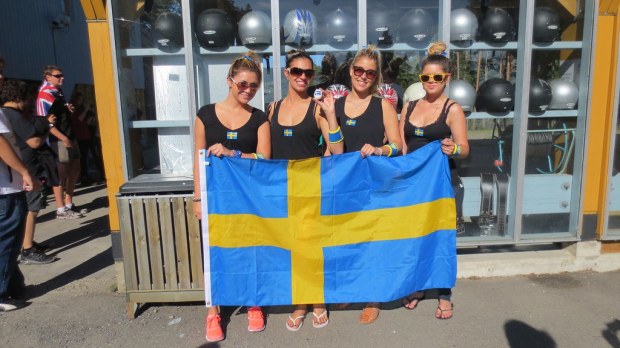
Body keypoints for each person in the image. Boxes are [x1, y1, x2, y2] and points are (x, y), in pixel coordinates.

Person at [192, 52, 270, 342]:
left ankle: (253, 303)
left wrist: (233, 152)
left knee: (250, 252)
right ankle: (213, 311)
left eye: (253, 86)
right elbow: (198, 160)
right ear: (229, 81)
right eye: (242, 84)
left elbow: (264, 159)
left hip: (249, 199)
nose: (247, 90)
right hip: (216, 199)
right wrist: (198, 198)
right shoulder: (205, 114)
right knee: (214, 254)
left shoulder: (259, 118)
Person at [267, 50, 343, 331]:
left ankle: (317, 301)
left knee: (312, 247)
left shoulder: (317, 107)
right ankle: (301, 302)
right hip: (283, 192)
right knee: (293, 249)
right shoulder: (271, 109)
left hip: (313, 191)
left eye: (308, 73)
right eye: (297, 71)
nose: (302, 77)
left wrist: (332, 115)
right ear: (286, 72)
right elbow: (263, 152)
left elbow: (337, 149)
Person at [399, 42, 469, 320]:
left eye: (437, 77)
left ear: (447, 78)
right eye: (425, 77)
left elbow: (465, 148)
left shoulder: (453, 110)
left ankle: (444, 294)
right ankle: (417, 287)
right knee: (414, 236)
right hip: (412, 184)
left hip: (440, 184)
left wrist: (455, 149)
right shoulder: (410, 105)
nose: (430, 82)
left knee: (440, 239)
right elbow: (402, 147)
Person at [334, 46, 402, 324]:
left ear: (376, 78)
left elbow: (398, 146)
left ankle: (373, 297)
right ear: (351, 71)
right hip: (342, 185)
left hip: (373, 185)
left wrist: (379, 149)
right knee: (347, 240)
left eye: (370, 73)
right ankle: (352, 288)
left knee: (372, 241)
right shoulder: (335, 105)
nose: (363, 76)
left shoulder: (382, 105)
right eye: (359, 70)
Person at [3, 80, 58, 265]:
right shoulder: (15, 116)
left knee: (26, 209)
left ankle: (27, 243)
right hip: (28, 167)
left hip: (18, 170)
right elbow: (34, 142)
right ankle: (27, 250)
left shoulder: (6, 114)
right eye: (27, 99)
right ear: (19, 98)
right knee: (31, 210)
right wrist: (47, 129)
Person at [0, 82, 38, 311]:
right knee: (8, 241)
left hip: (6, 188)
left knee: (8, 241)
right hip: (6, 189)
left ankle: (13, 285)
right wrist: (24, 171)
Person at [36, 65, 85, 219]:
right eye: (58, 76)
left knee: (75, 167)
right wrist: (63, 138)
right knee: (60, 173)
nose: (61, 78)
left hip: (70, 135)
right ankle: (61, 209)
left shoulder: (58, 93)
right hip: (57, 139)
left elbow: (60, 113)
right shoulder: (44, 95)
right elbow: (45, 122)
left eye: (62, 75)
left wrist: (67, 109)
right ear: (48, 77)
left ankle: (69, 202)